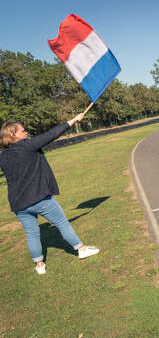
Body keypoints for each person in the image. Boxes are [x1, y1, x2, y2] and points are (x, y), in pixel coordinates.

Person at [0, 114, 99, 275]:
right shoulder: (27, 145)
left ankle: (39, 265)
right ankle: (81, 249)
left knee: (31, 233)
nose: (26, 133)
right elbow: (51, 135)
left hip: (19, 204)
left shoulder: (3, 156)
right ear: (13, 135)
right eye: (23, 131)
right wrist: (73, 121)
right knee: (62, 223)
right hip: (39, 198)